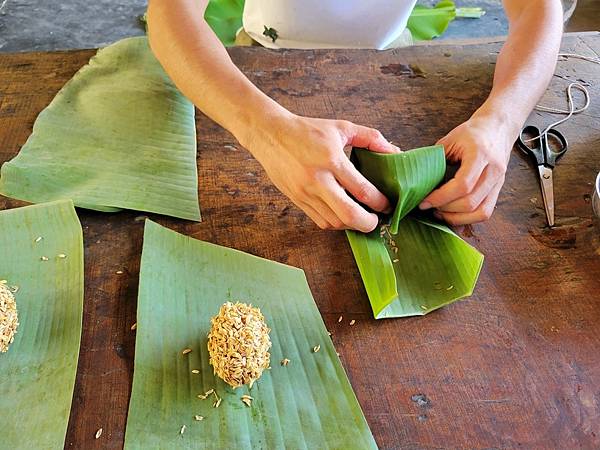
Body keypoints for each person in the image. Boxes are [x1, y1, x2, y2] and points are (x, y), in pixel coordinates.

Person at [147, 0, 563, 232]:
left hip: (391, 55)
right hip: (259, 64)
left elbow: (538, 9)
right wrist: (266, 131)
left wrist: (502, 121)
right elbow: (170, 15)